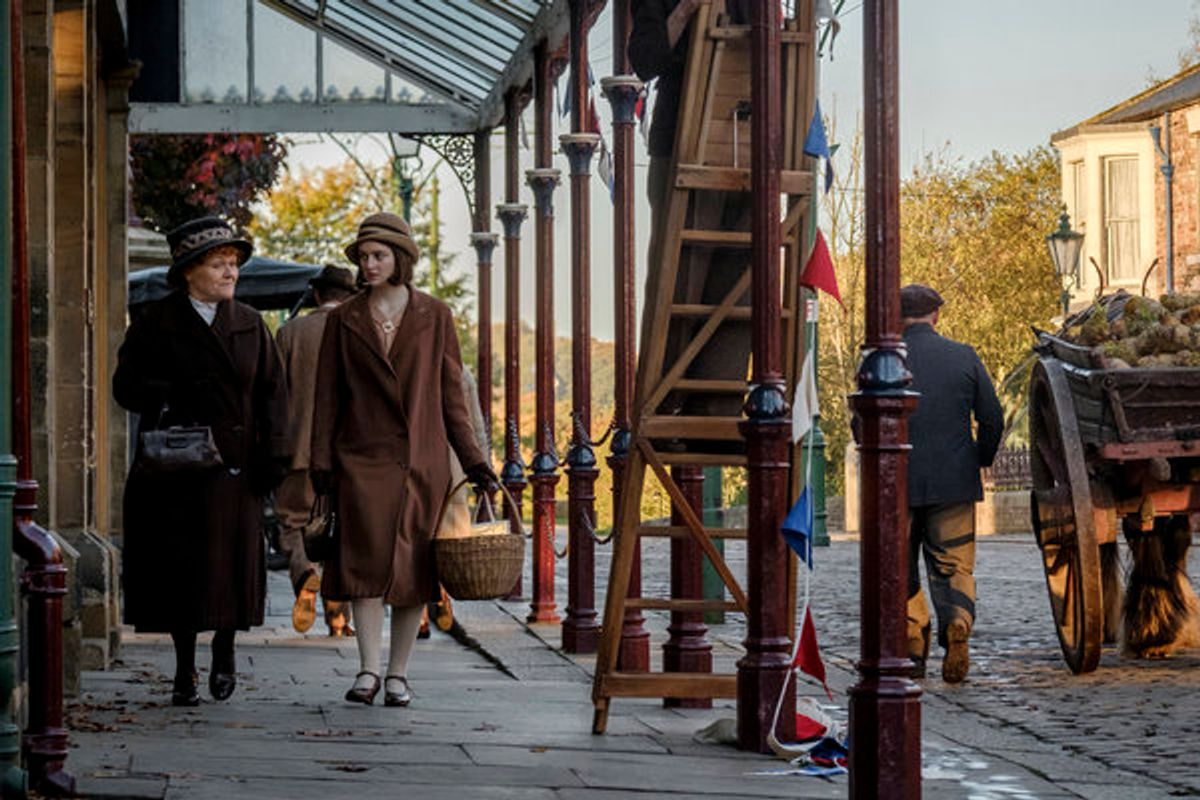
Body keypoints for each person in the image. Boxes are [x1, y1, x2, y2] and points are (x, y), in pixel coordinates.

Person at [309, 212, 496, 707]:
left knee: (413, 571)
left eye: (378, 256)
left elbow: (452, 395)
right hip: (360, 460)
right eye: (363, 257)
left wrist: (475, 462)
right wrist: (321, 464)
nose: (368, 265)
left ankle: (398, 675)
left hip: (422, 462)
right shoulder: (343, 319)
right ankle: (367, 670)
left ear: (400, 260)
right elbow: (327, 396)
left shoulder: (436, 316)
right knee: (364, 565)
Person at [114, 216, 290, 706]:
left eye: (233, 264)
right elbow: (124, 389)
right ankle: (184, 669)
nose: (230, 272)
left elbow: (275, 396)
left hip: (237, 468)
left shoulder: (252, 324)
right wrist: (172, 389)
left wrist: (275, 458)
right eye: (219, 263)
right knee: (181, 572)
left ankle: (227, 652)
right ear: (190, 271)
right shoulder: (154, 323)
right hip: (176, 469)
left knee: (231, 568)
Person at [629, 0, 753, 425]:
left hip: (748, 143)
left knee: (741, 282)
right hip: (681, 144)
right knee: (680, 275)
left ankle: (716, 411)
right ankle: (663, 404)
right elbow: (644, 60)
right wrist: (683, 12)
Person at [902, 284, 1004, 683]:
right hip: (954, 480)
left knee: (900, 567)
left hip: (899, 484)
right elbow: (992, 418)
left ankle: (913, 648)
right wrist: (978, 458)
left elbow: (862, 422)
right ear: (936, 316)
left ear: (895, 318)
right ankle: (957, 620)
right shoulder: (963, 356)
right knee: (954, 564)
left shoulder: (882, 358)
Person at [275, 265, 357, 637]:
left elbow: (275, 393)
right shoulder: (358, 331)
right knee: (342, 530)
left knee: (294, 522)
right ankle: (339, 618)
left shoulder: (290, 332)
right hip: (346, 453)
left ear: (319, 295)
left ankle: (305, 572)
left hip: (298, 449)